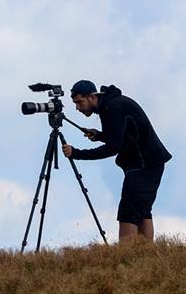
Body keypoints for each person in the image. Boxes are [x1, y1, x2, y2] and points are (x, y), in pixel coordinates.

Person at [61, 80, 172, 243]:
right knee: (141, 211)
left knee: (128, 212)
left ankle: (126, 257)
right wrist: (99, 135)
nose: (77, 108)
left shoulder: (112, 108)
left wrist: (76, 153)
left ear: (92, 97)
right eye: (75, 103)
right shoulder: (111, 105)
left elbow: (113, 148)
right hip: (147, 163)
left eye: (79, 102)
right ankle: (146, 255)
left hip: (143, 165)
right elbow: (122, 135)